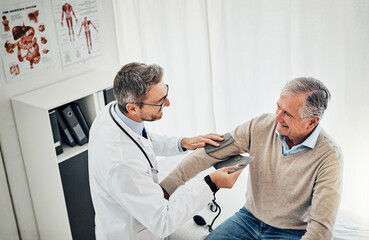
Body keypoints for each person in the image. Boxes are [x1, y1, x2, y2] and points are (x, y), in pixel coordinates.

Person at [160, 77, 343, 240]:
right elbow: (209, 153)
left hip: (292, 231)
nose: (277, 117)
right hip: (249, 218)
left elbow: (321, 229)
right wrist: (166, 189)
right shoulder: (259, 126)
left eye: (287, 114)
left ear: (312, 122)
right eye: (278, 106)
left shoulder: (330, 156)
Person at [88, 62, 244, 240]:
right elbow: (163, 222)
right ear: (132, 107)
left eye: (165, 94)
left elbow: (142, 139)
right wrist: (211, 183)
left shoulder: (113, 110)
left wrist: (182, 143)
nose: (168, 103)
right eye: (159, 102)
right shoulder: (122, 163)